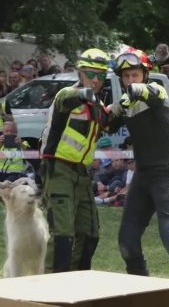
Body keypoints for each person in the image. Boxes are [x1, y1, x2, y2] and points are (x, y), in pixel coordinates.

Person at [108, 48, 169, 280]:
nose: (130, 80)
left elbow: (145, 92)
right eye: (126, 76)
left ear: (145, 75)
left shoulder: (157, 90)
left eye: (135, 74)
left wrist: (124, 98)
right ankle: (141, 292)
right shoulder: (126, 102)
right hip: (144, 174)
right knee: (126, 242)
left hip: (168, 170)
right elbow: (106, 123)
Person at [40, 48, 110, 273]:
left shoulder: (97, 104)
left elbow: (110, 120)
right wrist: (83, 93)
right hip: (58, 168)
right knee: (62, 237)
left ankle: (76, 283)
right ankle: (49, 292)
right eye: (91, 74)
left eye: (101, 75)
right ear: (80, 73)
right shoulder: (68, 94)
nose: (96, 80)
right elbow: (65, 99)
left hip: (81, 173)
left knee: (90, 235)